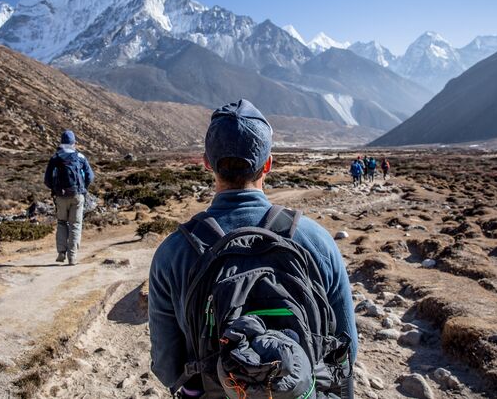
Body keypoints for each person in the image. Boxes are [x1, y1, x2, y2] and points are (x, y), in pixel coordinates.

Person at [149, 100, 356, 398]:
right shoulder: (316, 240)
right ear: (268, 164)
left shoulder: (174, 251)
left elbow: (167, 367)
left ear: (207, 162)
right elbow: (347, 349)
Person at [43, 130, 94, 265]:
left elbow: (47, 180)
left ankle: (61, 252)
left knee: (61, 223)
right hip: (77, 195)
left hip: (60, 196)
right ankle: (72, 257)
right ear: (74, 142)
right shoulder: (80, 157)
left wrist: (55, 189)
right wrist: (83, 189)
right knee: (75, 225)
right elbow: (90, 176)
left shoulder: (55, 157)